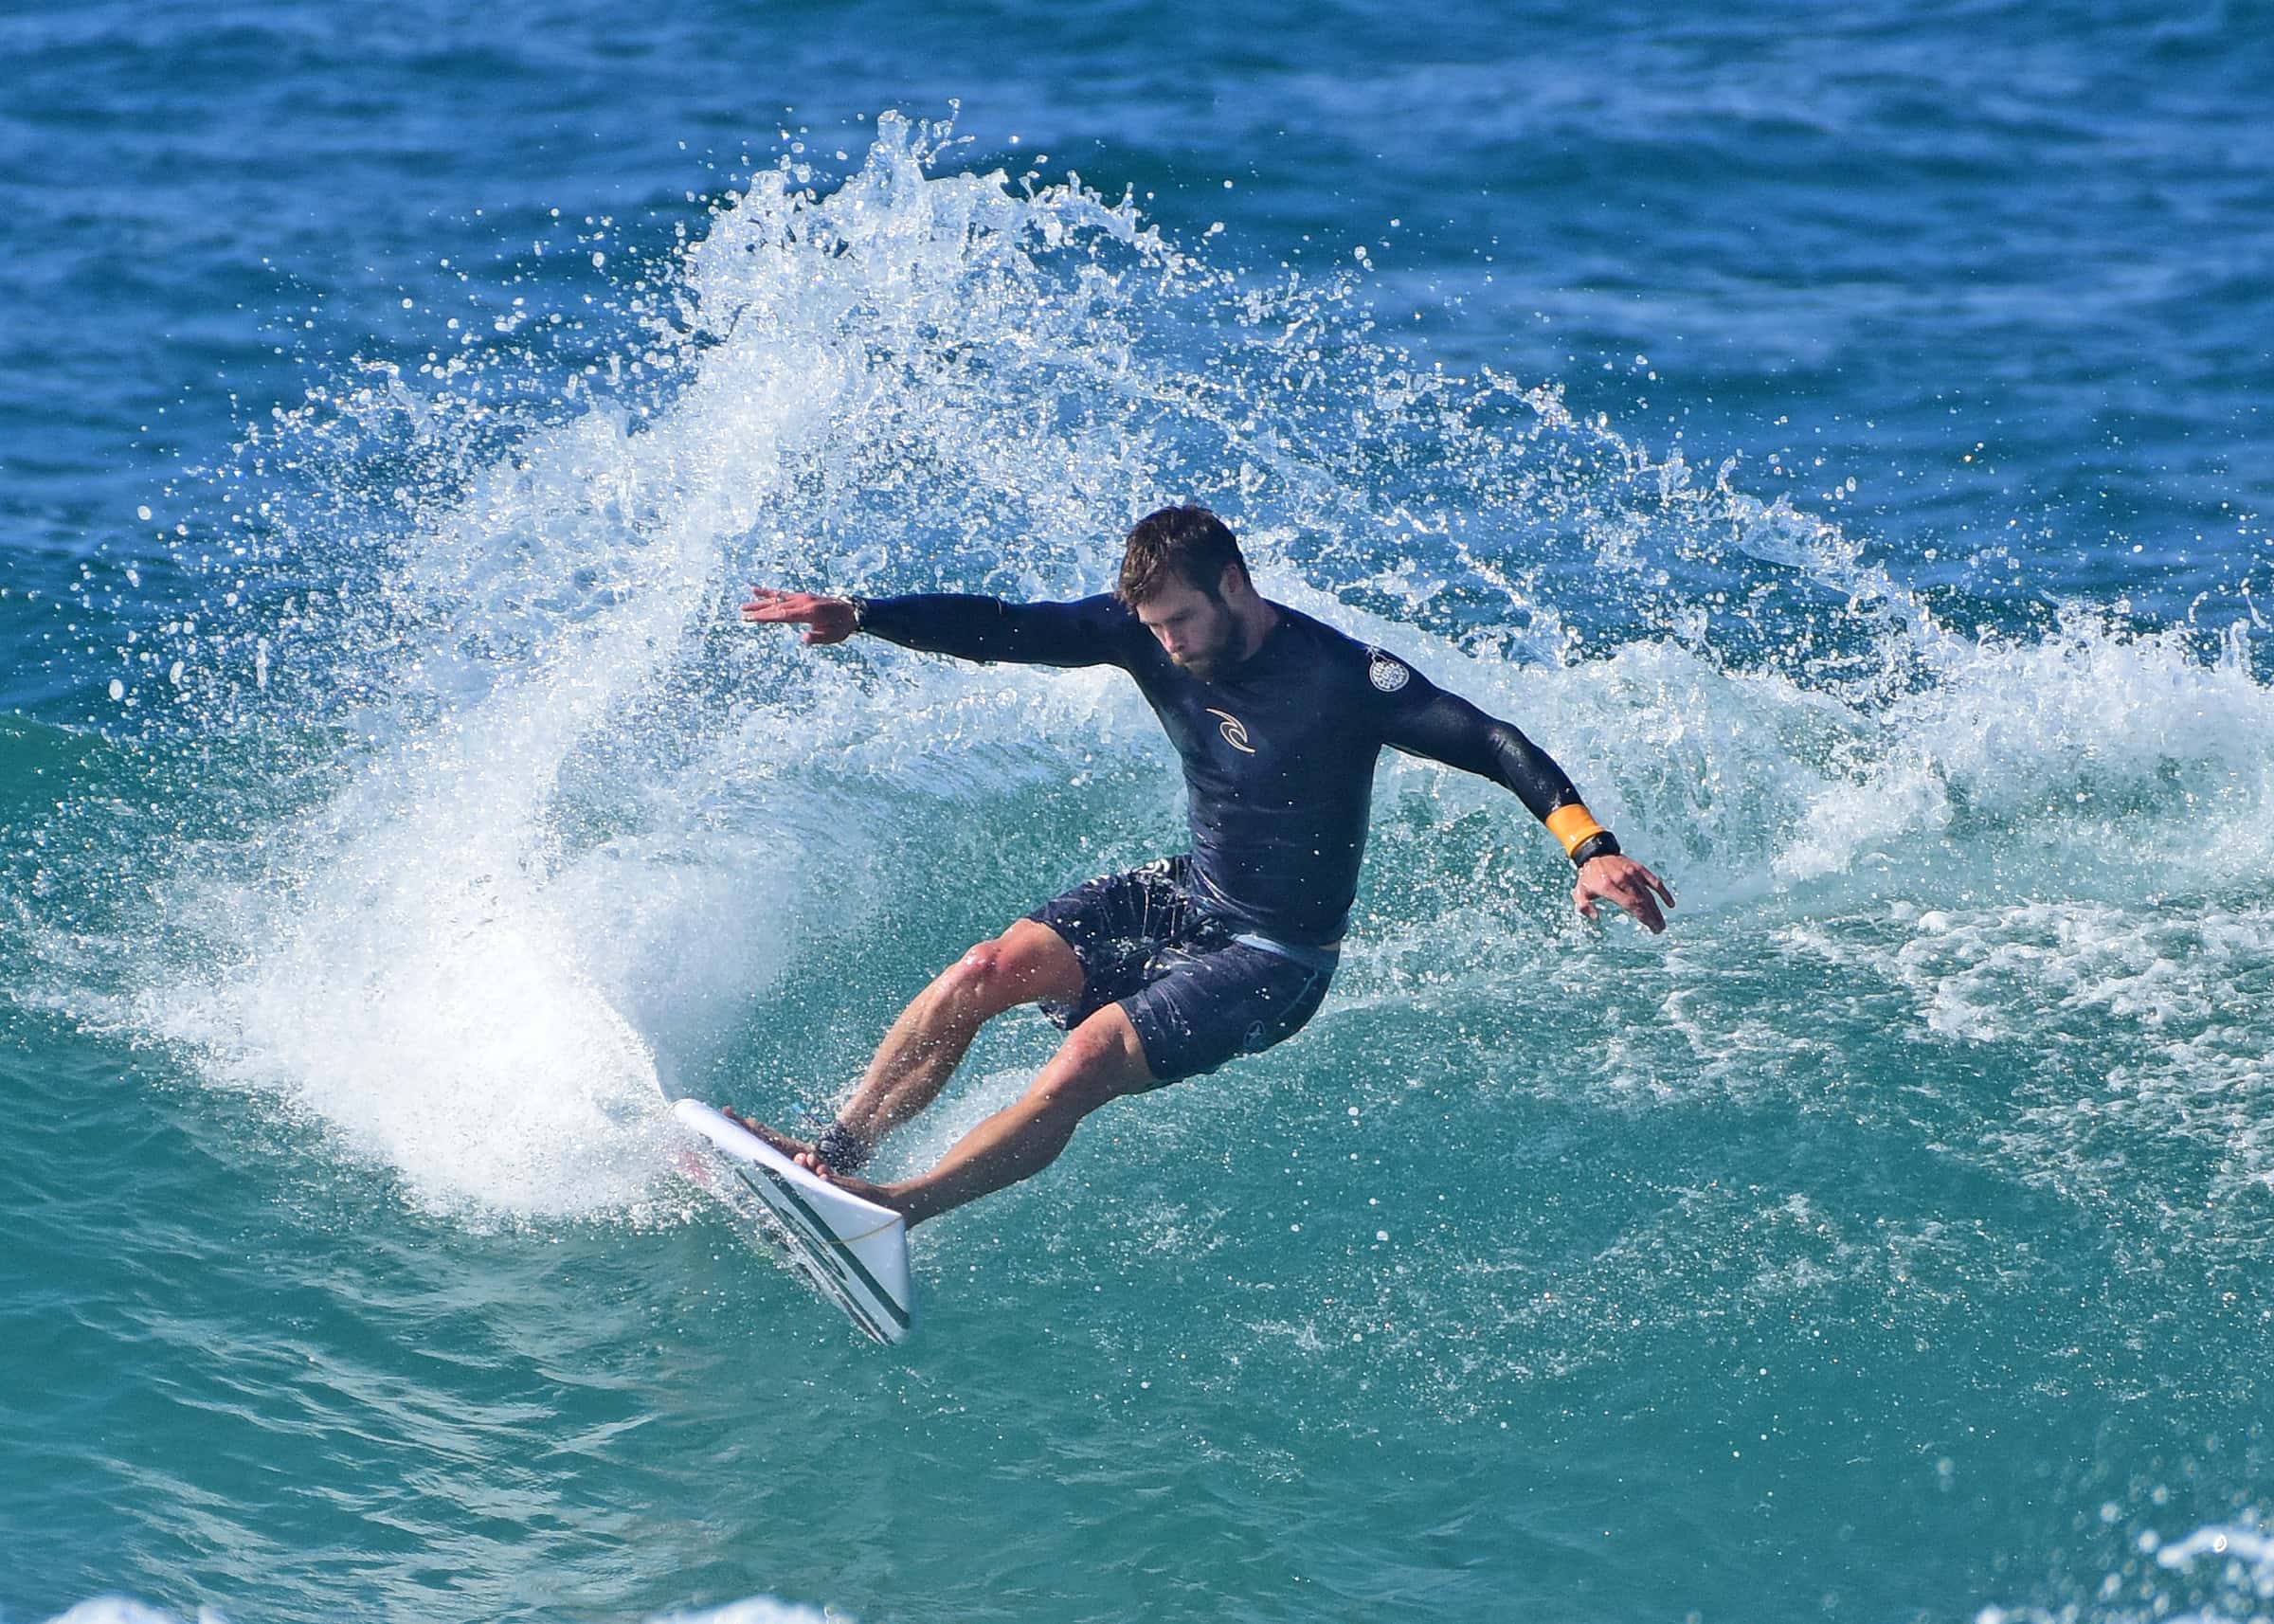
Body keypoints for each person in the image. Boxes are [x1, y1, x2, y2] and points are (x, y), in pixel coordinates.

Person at [731, 505, 1672, 1227]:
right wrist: (865, 615)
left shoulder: (1342, 679)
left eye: (1181, 619)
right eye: (1154, 626)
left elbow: (1490, 739)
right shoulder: (1145, 631)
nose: (1168, 643)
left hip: (1279, 956)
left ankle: (895, 1207)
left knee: (1087, 1054)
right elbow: (1007, 628)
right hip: (1189, 894)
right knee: (984, 970)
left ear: (1233, 585)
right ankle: (832, 1154)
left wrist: (1590, 848)